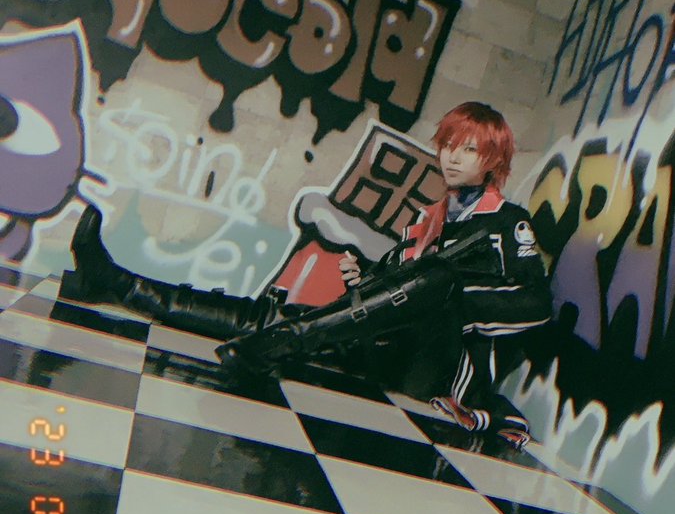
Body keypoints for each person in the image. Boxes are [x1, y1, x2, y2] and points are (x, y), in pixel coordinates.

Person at [62, 102, 550, 446]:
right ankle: (117, 283)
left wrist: (455, 294)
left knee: (439, 276)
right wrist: (364, 276)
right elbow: (397, 288)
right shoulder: (429, 219)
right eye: (447, 145)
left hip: (436, 370)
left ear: (492, 161)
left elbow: (536, 305)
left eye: (468, 150)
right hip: (386, 347)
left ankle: (285, 341)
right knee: (265, 316)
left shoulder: (507, 222)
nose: (452, 157)